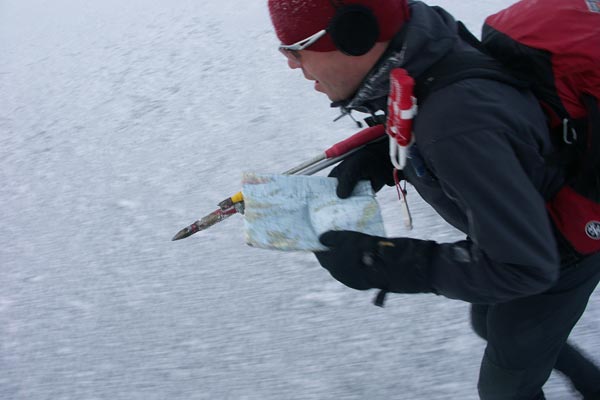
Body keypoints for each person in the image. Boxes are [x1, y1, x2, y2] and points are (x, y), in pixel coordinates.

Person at [267, 0, 600, 399]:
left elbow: (523, 267)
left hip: (561, 250)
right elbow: (456, 111)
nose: (290, 63)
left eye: (296, 47)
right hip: (523, 221)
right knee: (487, 323)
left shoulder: (456, 124)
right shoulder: (426, 44)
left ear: (355, 35)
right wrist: (386, 154)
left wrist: (383, 262)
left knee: (506, 387)